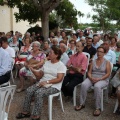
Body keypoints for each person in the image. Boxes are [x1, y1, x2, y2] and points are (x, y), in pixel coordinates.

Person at [16, 46, 66, 120]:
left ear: (56, 55)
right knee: (29, 90)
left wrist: (47, 81)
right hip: (43, 82)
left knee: (39, 93)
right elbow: (40, 75)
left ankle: (36, 116)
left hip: (54, 86)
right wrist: (32, 70)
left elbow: (59, 79)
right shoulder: (47, 63)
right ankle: (25, 112)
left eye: (51, 52)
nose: (49, 54)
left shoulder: (61, 65)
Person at [75, 46, 111, 116]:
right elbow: (89, 72)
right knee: (84, 84)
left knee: (97, 86)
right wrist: (91, 78)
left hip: (102, 78)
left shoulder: (107, 62)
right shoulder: (93, 61)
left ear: (104, 53)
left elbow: (108, 73)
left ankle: (98, 107)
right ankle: (82, 103)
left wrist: (99, 79)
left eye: (101, 52)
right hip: (92, 77)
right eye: (98, 51)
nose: (99, 53)